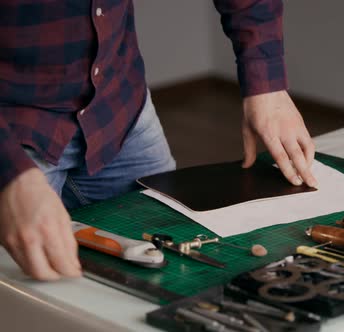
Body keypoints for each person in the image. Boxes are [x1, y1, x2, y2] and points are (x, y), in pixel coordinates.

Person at [0, 0, 317, 281]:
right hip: (12, 129)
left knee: (175, 270)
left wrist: (266, 83)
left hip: (117, 106)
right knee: (28, 295)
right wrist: (10, 174)